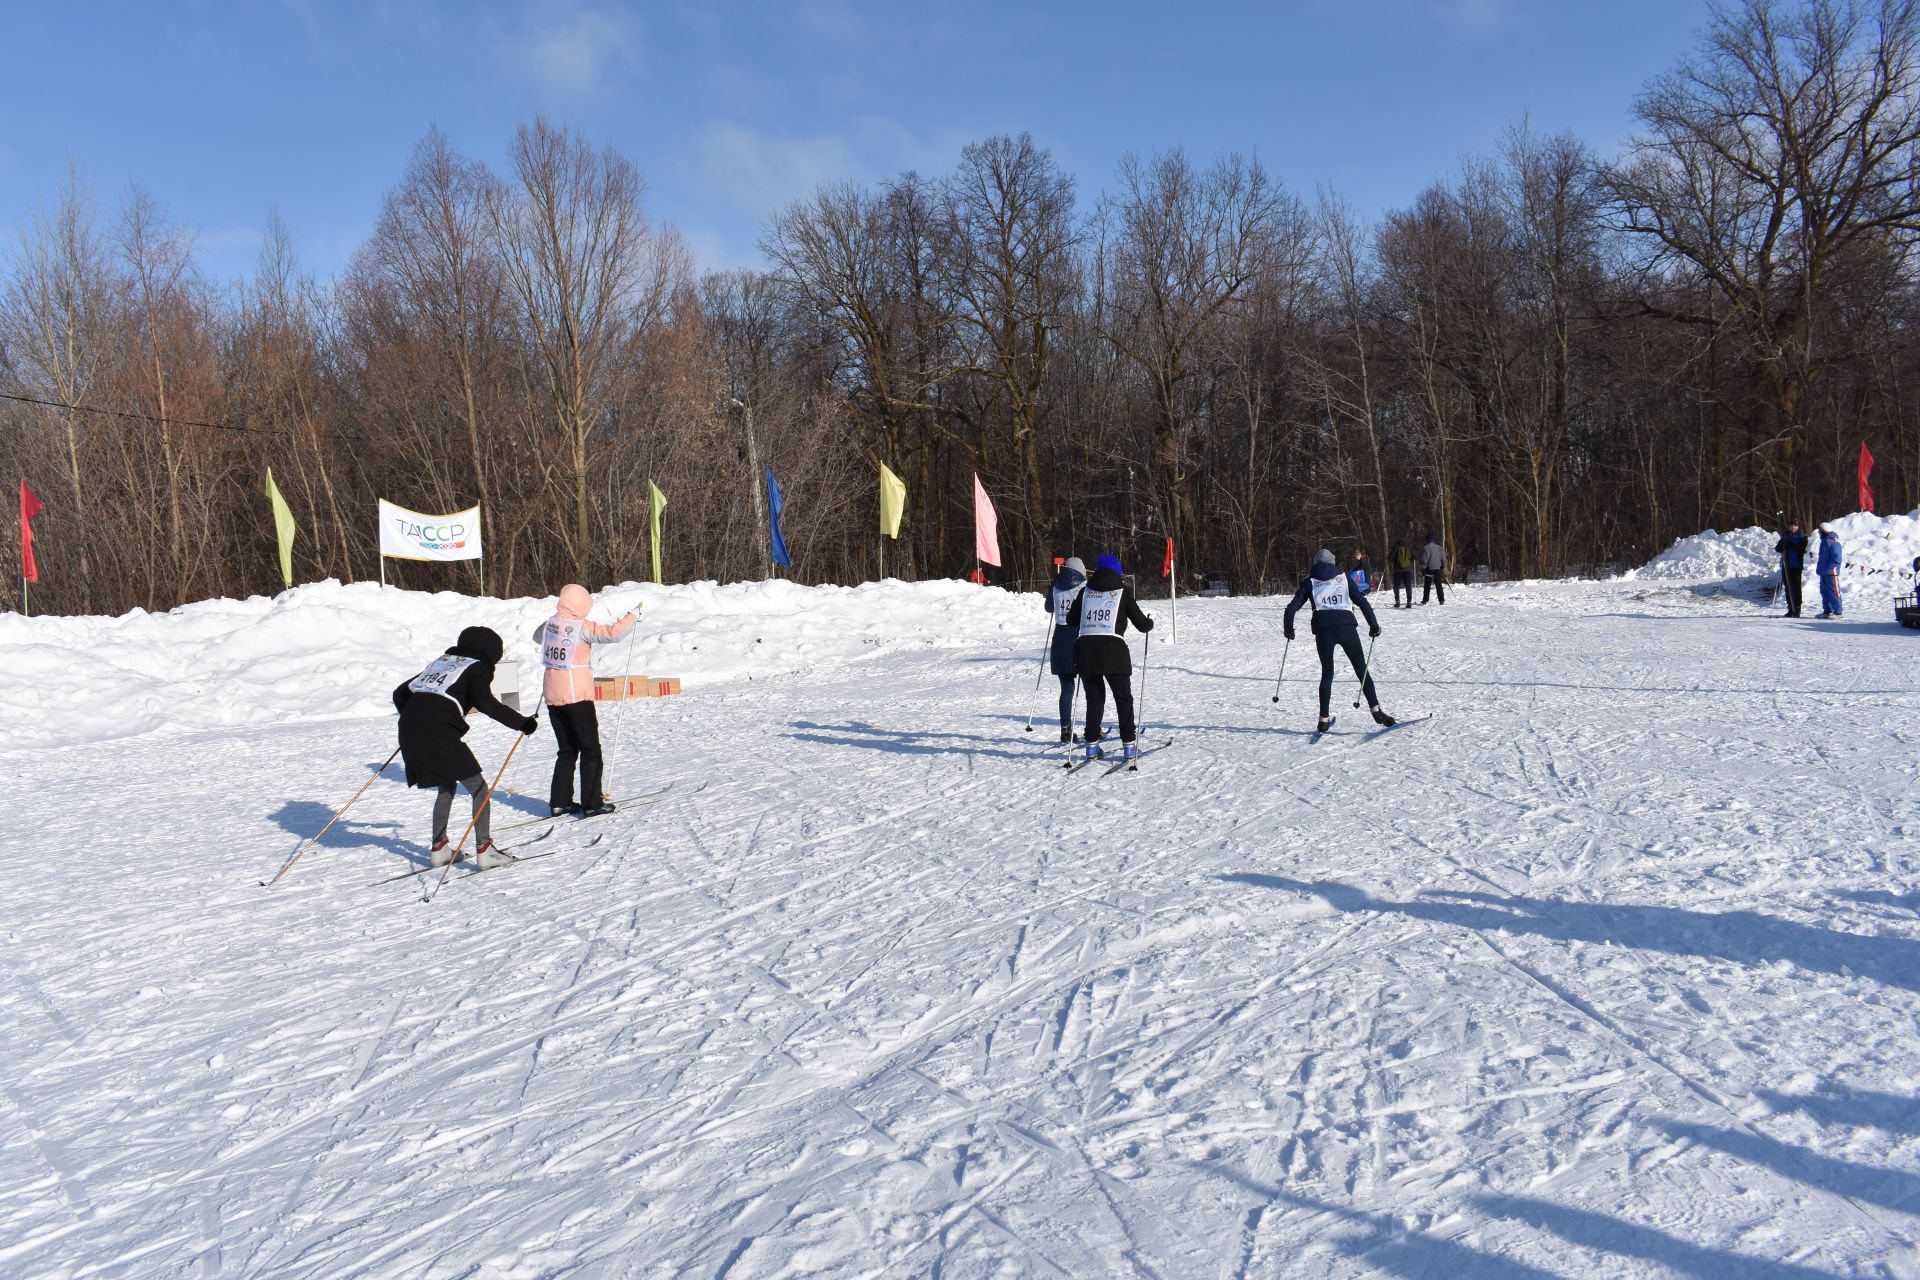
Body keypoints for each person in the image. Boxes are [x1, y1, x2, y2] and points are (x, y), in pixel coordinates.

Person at [393, 626, 538, 870]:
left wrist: (415, 719)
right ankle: (485, 849)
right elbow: (486, 703)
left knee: (446, 786)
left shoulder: (442, 662)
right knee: (479, 789)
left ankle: (439, 848)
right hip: (438, 734)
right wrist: (522, 723)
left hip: (409, 730)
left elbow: (400, 693)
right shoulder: (477, 668)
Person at [536, 584, 639, 818]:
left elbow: (536, 637)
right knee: (590, 749)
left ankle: (559, 801)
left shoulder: (550, 624)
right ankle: (592, 802)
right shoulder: (580, 627)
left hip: (553, 695)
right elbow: (612, 634)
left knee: (567, 749)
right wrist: (633, 617)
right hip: (577, 695)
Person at [1284, 549, 1394, 734]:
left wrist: (1289, 630)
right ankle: (1376, 710)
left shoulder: (1310, 582)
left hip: (1324, 630)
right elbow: (1362, 602)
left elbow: (1291, 609)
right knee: (1361, 670)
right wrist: (1373, 625)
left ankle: (1323, 719)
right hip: (1346, 627)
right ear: (1333, 562)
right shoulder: (1343, 577)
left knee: (1327, 674)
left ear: (1316, 563)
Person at [1065, 554, 1154, 761]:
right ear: (1118, 571)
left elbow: (1071, 620)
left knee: (1094, 699)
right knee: (1123, 699)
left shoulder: (1085, 591)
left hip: (1085, 650)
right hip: (1114, 651)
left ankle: (1091, 747)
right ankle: (1129, 746)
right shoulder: (1122, 592)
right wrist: (1149, 623)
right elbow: (1142, 625)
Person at [1046, 556, 1089, 743]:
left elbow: (1049, 608)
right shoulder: (1084, 586)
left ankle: (1065, 730)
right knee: (1091, 688)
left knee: (1067, 688)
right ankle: (1092, 729)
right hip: (1079, 637)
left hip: (1060, 638)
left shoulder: (1056, 585)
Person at [1775, 519, 1809, 617]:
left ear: (1798, 527)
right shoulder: (1786, 535)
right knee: (1787, 587)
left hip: (1796, 565)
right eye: (1791, 526)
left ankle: (1797, 608)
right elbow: (1777, 549)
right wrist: (1782, 544)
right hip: (1786, 565)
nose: (1793, 528)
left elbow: (1802, 549)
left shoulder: (1802, 537)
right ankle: (1790, 608)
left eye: (1795, 526)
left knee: (1796, 588)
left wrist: (1790, 545)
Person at [1816, 527, 1844, 618]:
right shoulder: (1824, 541)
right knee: (1824, 591)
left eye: (1820, 531)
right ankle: (1827, 611)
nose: (1819, 533)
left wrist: (1829, 567)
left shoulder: (1833, 540)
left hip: (1831, 572)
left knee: (1833, 592)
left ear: (1824, 531)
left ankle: (1838, 612)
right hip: (1824, 572)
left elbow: (1837, 558)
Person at [1419, 534, 1448, 605]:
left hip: (1429, 569)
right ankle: (1441, 600)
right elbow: (1444, 558)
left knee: (1427, 585)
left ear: (1427, 540)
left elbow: (1424, 560)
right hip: (1438, 568)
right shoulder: (1439, 547)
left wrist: (1423, 569)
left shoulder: (1425, 548)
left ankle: (1425, 600)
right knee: (1438, 585)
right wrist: (1444, 567)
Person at [1389, 537, 1417, 609]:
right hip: (1408, 570)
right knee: (1408, 586)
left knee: (1396, 586)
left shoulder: (1396, 547)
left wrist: (1389, 555)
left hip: (1397, 570)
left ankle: (1397, 601)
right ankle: (1409, 602)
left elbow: (1391, 558)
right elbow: (1416, 556)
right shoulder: (1409, 546)